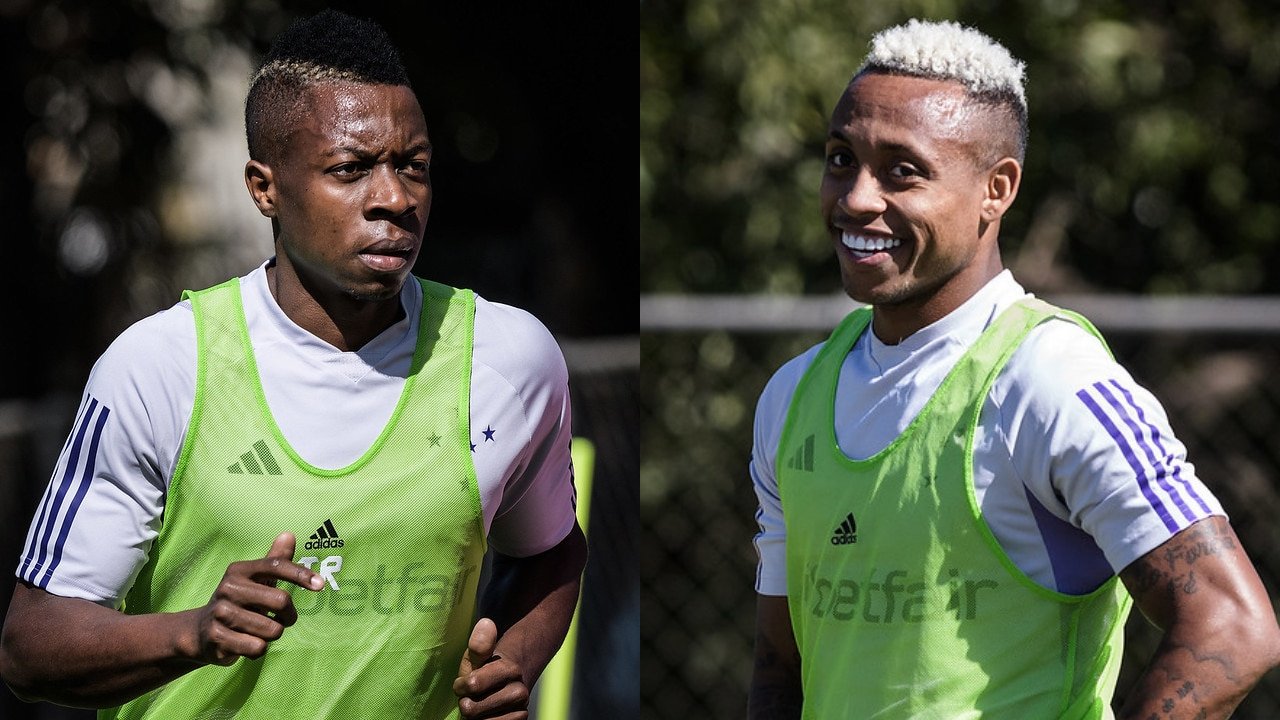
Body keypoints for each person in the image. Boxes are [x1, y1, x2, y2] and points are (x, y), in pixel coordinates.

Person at [0, 8, 586, 719]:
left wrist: (512, 659)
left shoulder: (508, 359)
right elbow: (31, 646)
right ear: (265, 188)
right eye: (351, 169)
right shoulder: (161, 366)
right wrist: (193, 633)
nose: (395, 198)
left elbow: (552, 550)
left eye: (414, 166)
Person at [747, 18, 1280, 719]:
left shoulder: (1050, 380)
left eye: (902, 171)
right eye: (841, 159)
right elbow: (779, 666)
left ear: (996, 189)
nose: (855, 198)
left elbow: (1232, 627)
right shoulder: (792, 396)